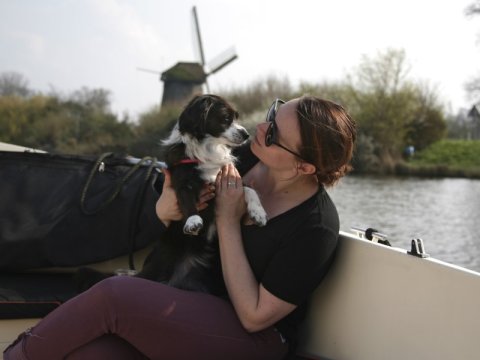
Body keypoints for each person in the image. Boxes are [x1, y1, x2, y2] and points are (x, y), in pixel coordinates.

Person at [4, 95, 356, 360]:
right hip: (194, 299)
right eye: (271, 114)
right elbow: (180, 183)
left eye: (275, 131)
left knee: (114, 295)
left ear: (305, 167)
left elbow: (255, 317)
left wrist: (228, 221)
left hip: (254, 338)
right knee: (87, 353)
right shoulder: (248, 156)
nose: (261, 128)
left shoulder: (315, 228)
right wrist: (164, 206)